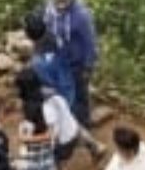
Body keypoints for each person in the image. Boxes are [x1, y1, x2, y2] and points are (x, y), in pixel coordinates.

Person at [24, 12, 105, 161]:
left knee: (65, 125)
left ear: (30, 35)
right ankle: (94, 146)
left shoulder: (39, 62)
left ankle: (61, 157)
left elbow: (45, 82)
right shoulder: (54, 37)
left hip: (58, 93)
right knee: (71, 120)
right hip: (68, 84)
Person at [42, 0, 99, 131]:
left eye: (64, 0)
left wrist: (88, 66)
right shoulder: (49, 10)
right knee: (64, 94)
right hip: (59, 60)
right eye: (57, 0)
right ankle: (69, 126)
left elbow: (90, 42)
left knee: (80, 95)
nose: (60, 4)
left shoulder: (81, 16)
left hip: (77, 63)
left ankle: (84, 125)